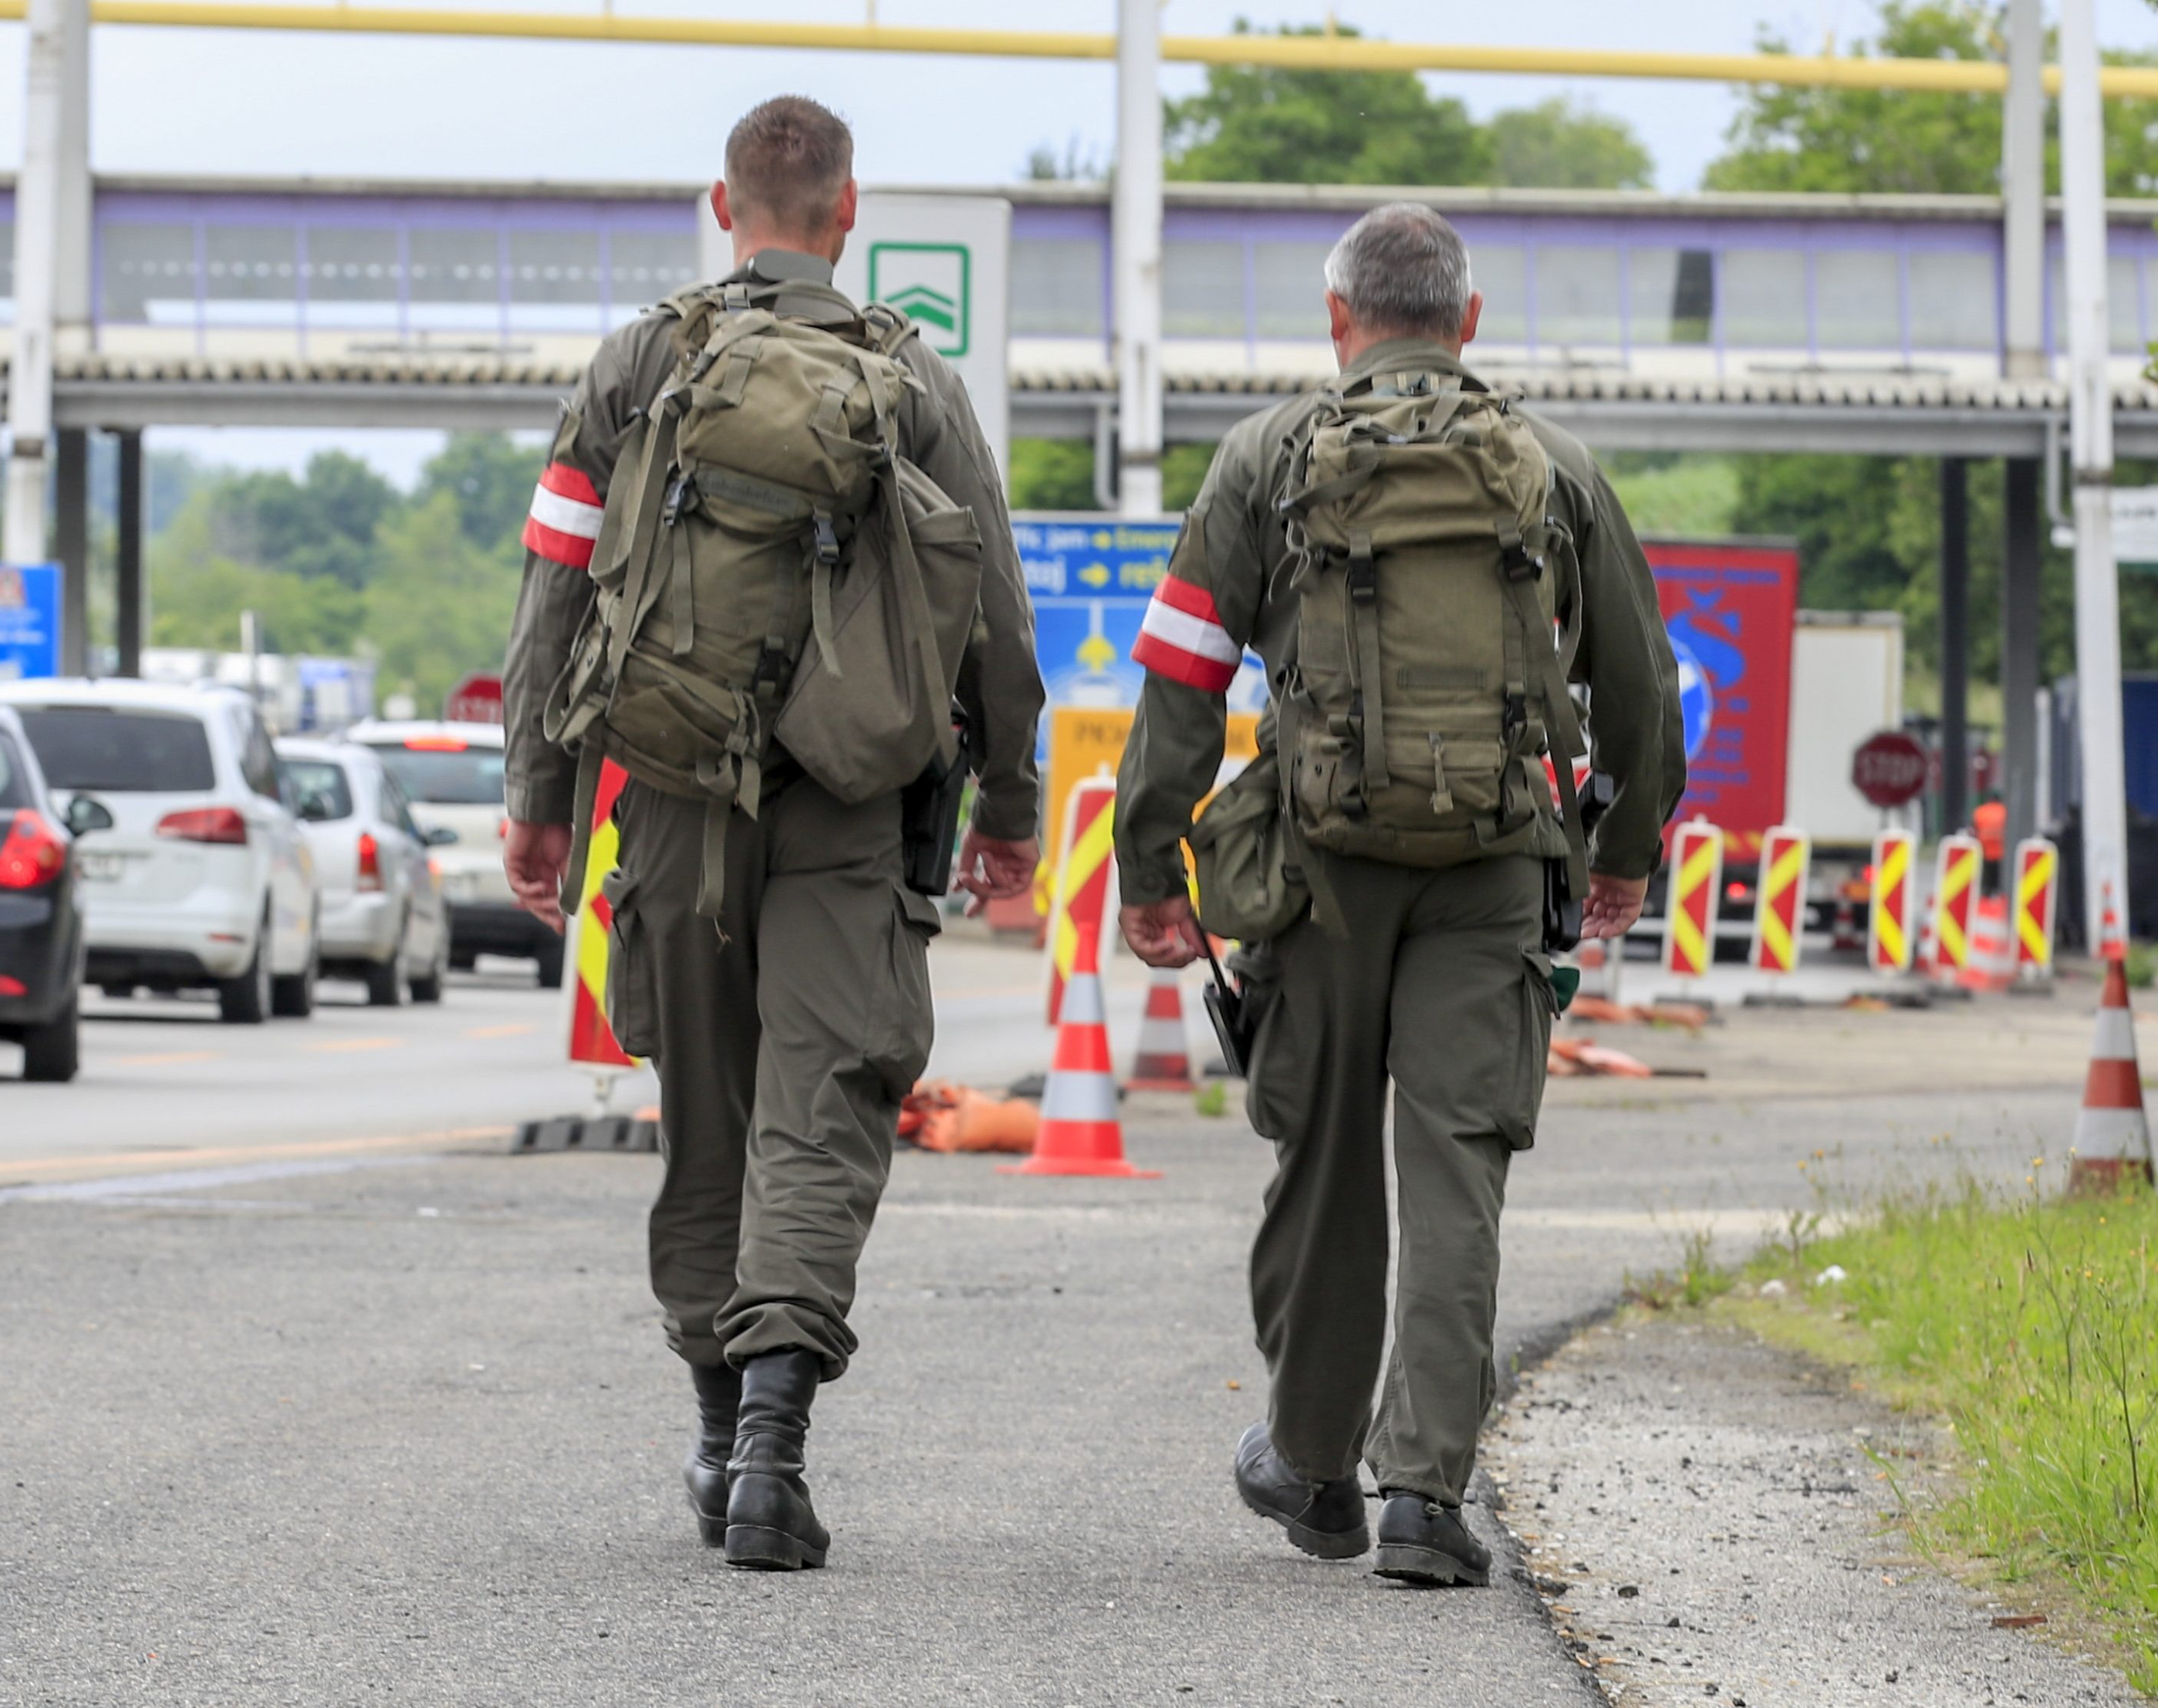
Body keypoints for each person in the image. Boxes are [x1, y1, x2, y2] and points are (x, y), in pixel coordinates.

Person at [502, 94, 1045, 1571]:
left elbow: (555, 587)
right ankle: (771, 1448)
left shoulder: (639, 364)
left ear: (721, 204)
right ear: (847, 212)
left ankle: (707, 1420)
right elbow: (990, 600)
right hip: (855, 806)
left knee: (708, 1116)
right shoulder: (912, 378)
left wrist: (541, 804)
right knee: (825, 1107)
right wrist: (1010, 803)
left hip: (671, 788)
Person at [1113, 201, 1683, 1589]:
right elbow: (1641, 688)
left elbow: (1183, 677)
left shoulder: (1265, 457)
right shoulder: (1552, 467)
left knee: (1320, 1166)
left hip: (1317, 866)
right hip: (1493, 871)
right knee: (1456, 1172)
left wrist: (1152, 868)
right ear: (1468, 322)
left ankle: (1313, 1469)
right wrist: (1621, 856)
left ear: (1338, 321)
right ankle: (1426, 1494)